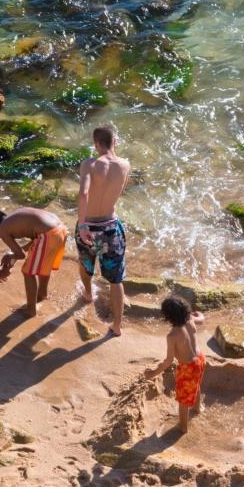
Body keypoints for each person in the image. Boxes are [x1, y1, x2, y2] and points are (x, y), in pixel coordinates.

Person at [76, 125, 131, 335]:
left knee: (86, 263)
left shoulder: (89, 164)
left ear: (96, 144)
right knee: (116, 278)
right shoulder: (125, 165)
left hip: (89, 226)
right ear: (114, 141)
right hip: (110, 226)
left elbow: (84, 194)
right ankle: (117, 326)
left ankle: (88, 295)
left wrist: (82, 225)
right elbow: (120, 191)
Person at [0, 207, 68, 317]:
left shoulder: (2, 229)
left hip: (48, 235)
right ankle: (42, 295)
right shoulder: (15, 217)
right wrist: (14, 255)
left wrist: (10, 256)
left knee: (27, 272)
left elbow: (21, 255)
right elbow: (36, 236)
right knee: (44, 266)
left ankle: (31, 310)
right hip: (61, 230)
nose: (0, 237)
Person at [145, 296, 206, 434]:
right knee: (196, 385)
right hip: (200, 359)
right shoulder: (190, 319)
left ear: (168, 317)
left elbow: (168, 360)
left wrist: (153, 373)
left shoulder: (172, 336)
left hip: (188, 368)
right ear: (185, 310)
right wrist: (198, 314)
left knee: (183, 401)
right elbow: (201, 319)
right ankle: (197, 408)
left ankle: (183, 427)